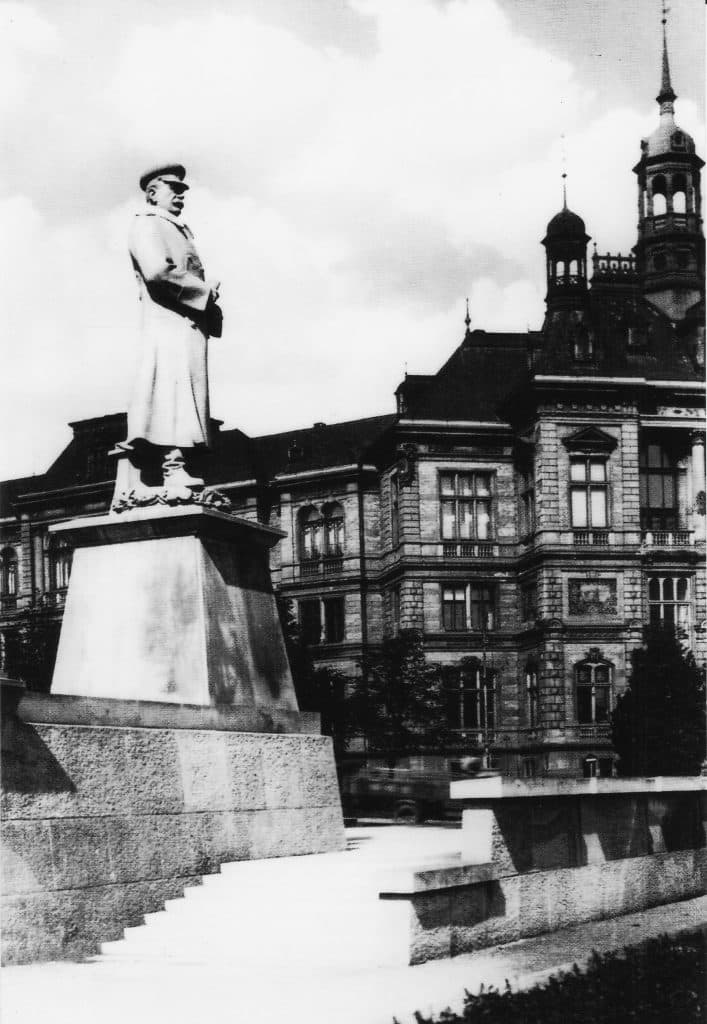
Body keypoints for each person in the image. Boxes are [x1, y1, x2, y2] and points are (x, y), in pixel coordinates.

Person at [113, 163, 223, 501]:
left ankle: (179, 463)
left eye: (183, 190)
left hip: (185, 327)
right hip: (168, 327)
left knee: (182, 398)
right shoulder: (147, 225)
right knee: (168, 396)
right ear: (152, 193)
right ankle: (171, 465)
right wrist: (204, 294)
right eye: (173, 189)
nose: (180, 195)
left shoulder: (178, 230)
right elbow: (158, 273)